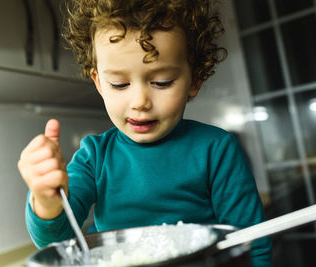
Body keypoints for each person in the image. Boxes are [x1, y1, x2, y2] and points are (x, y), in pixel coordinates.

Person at [17, 0, 272, 266]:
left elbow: (252, 241)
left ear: (195, 79)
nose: (140, 101)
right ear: (99, 83)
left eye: (161, 82)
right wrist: (46, 201)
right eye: (119, 84)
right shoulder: (93, 157)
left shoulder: (216, 149)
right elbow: (57, 244)